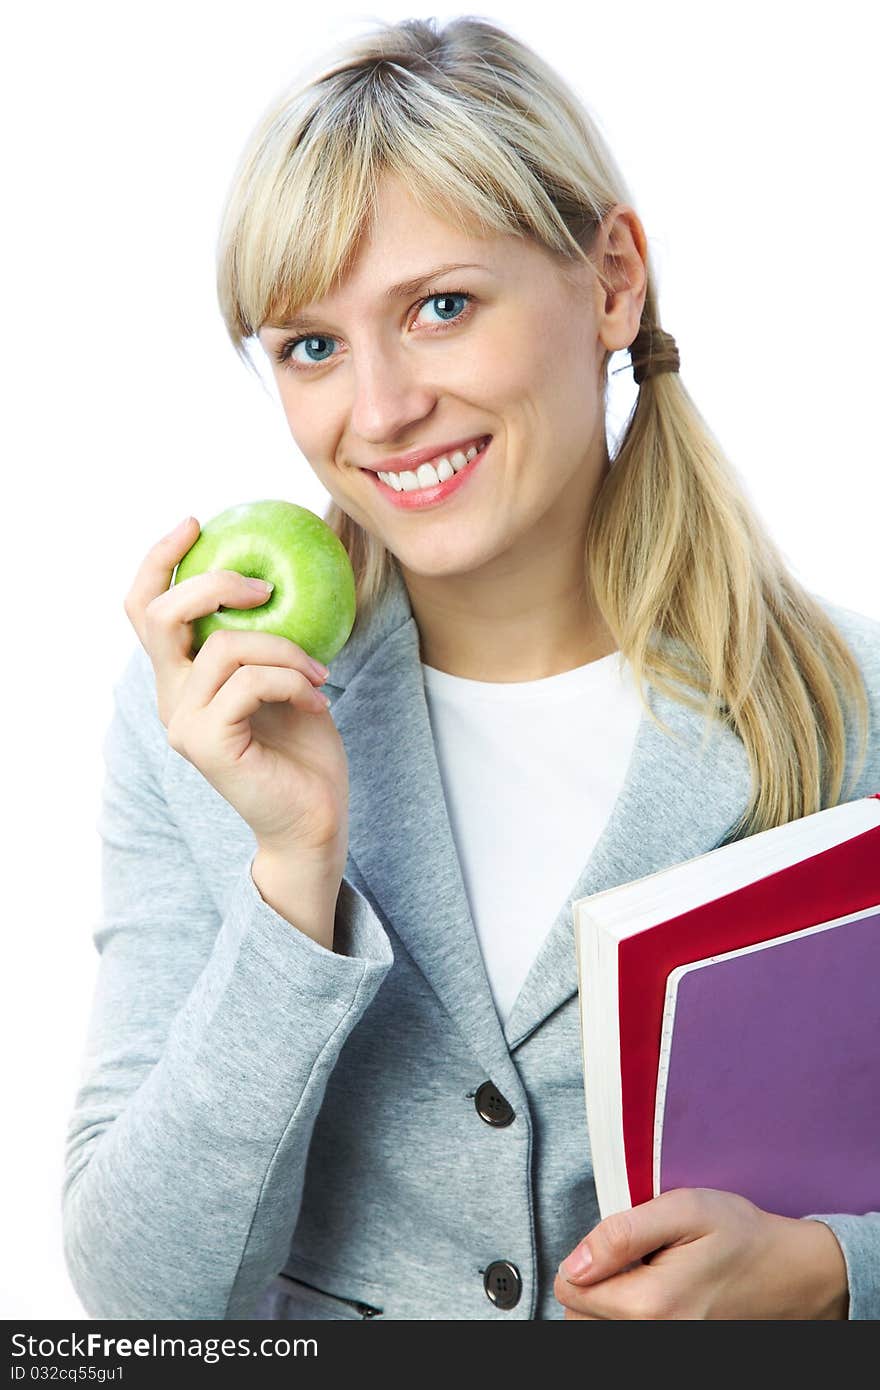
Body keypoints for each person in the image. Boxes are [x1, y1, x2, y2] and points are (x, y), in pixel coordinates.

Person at [62, 16, 879, 1320]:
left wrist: (836, 1271)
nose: (379, 410)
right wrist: (290, 876)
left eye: (441, 308)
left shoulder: (850, 705)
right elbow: (145, 1302)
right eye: (311, 346)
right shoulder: (210, 722)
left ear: (612, 279)